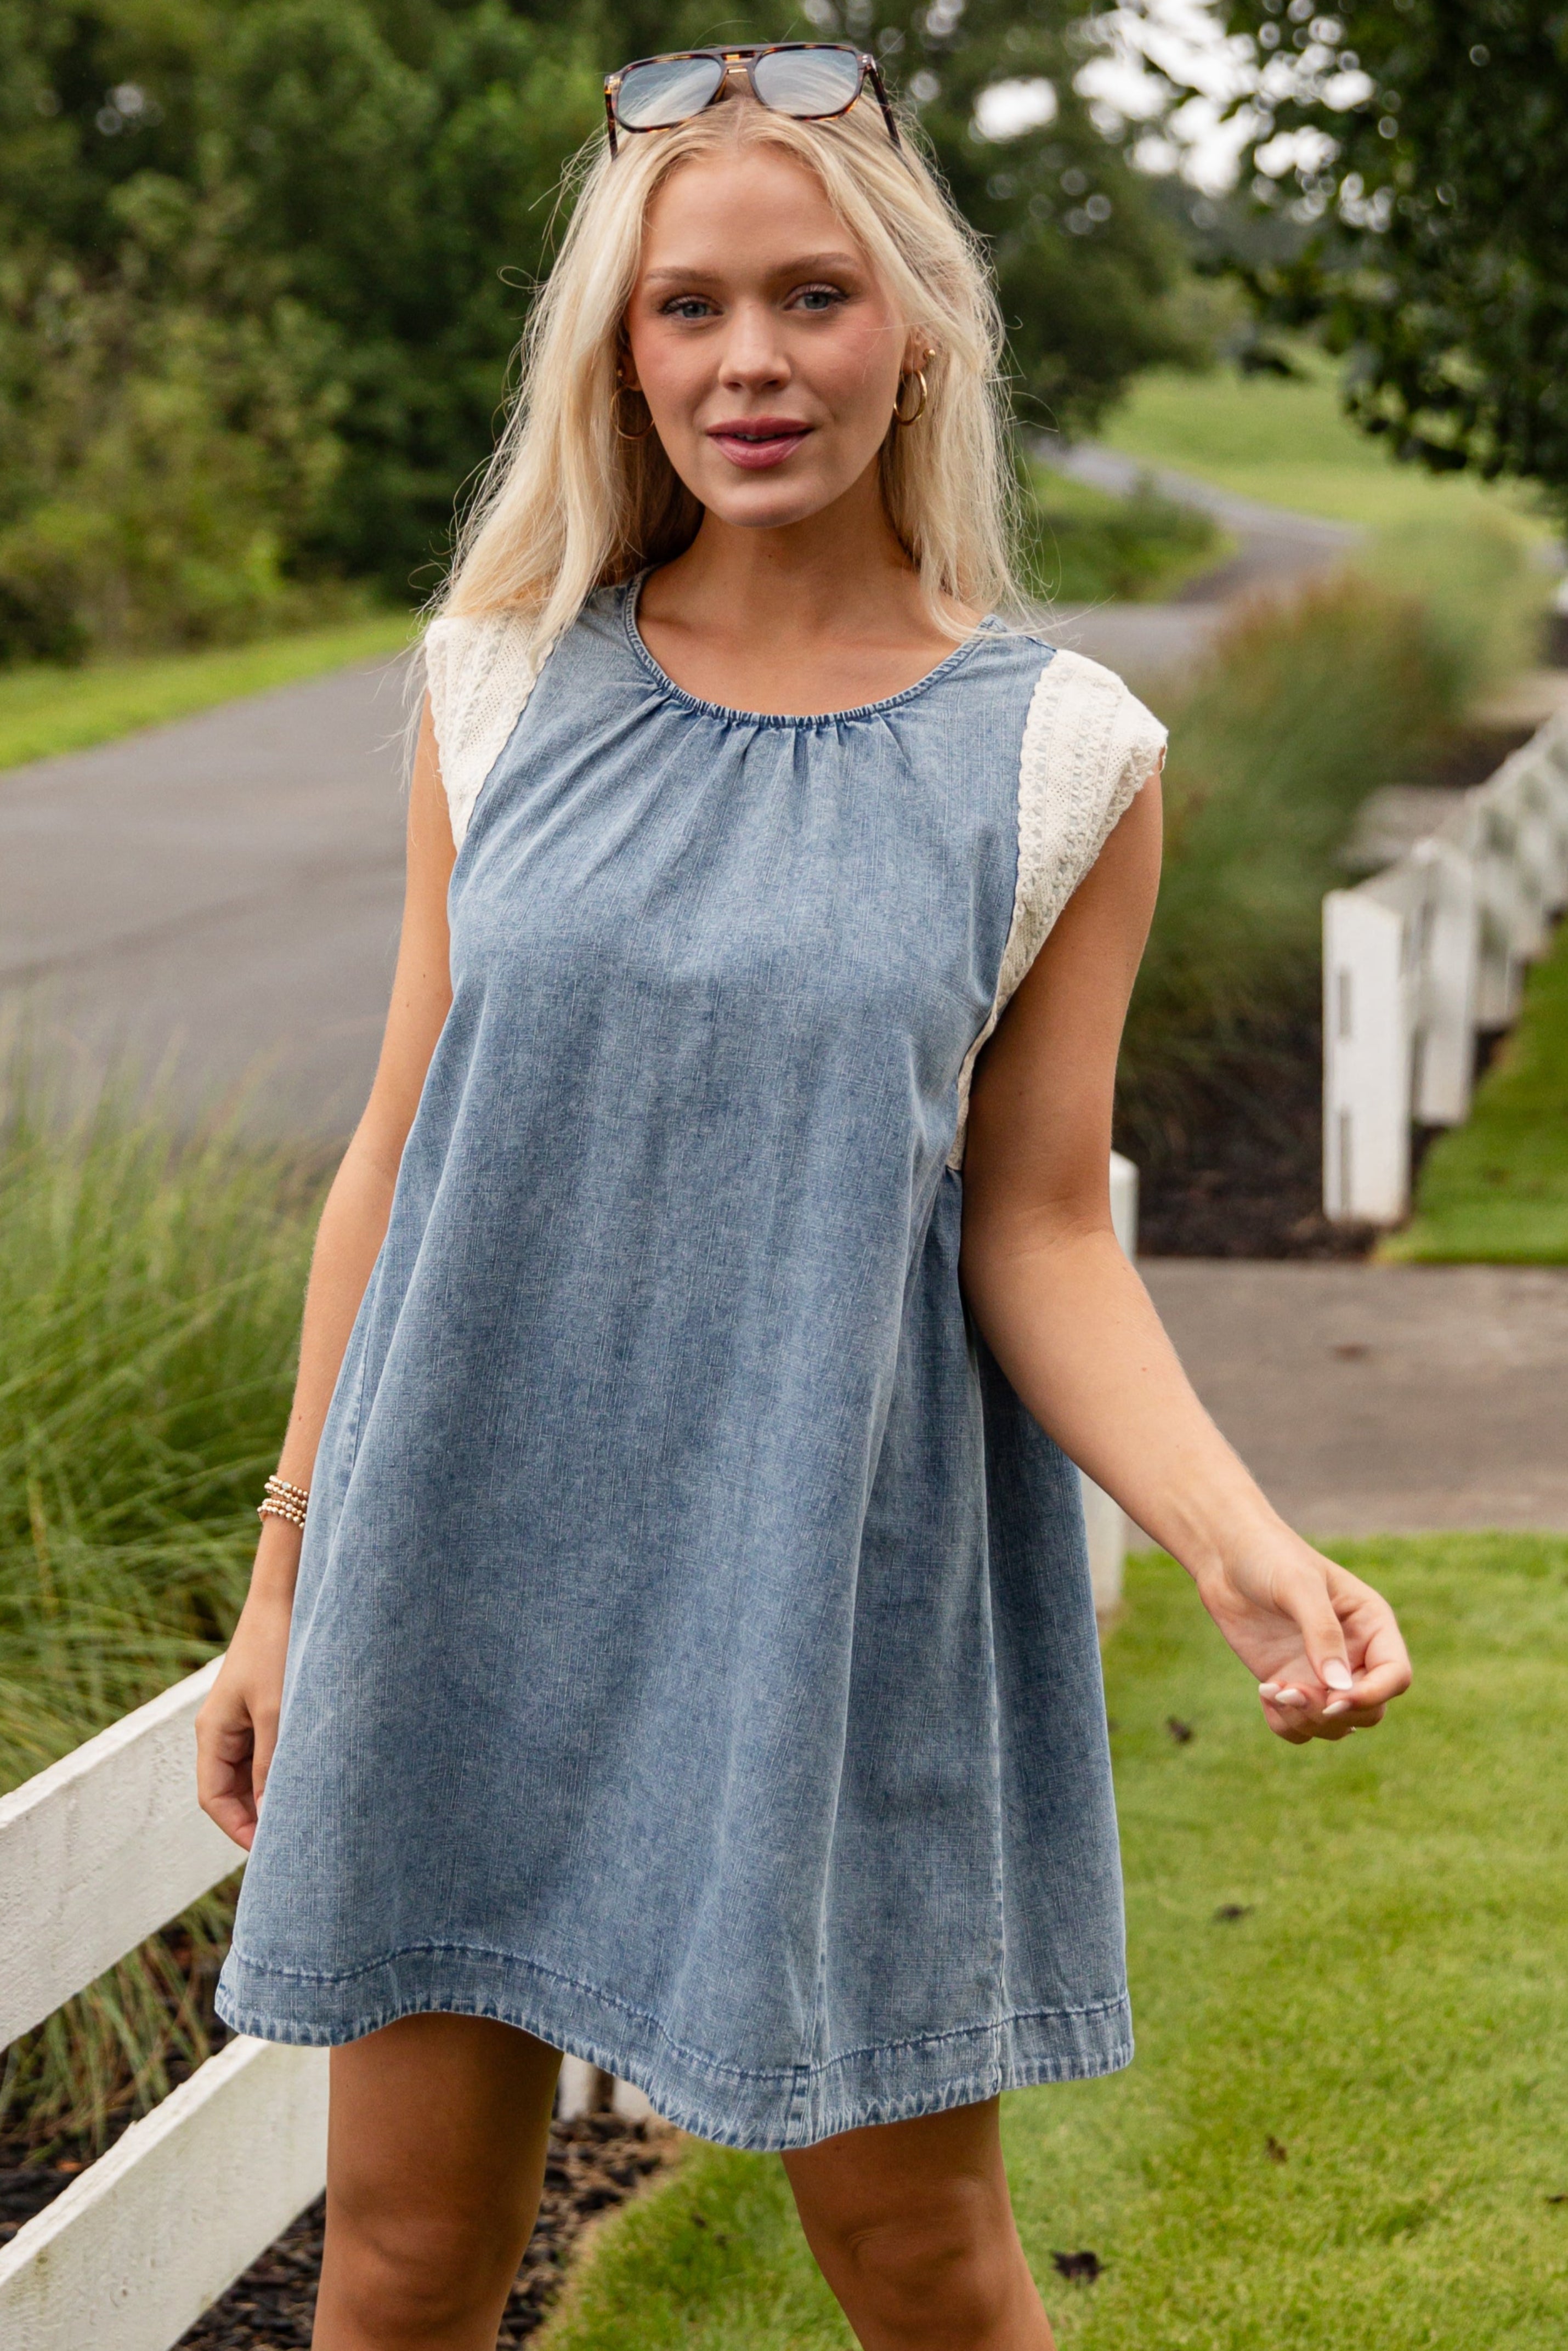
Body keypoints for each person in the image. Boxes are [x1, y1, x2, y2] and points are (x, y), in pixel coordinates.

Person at [196, 44, 1412, 2351]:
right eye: (688, 311)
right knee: (408, 2263)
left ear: (917, 330)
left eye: (813, 297)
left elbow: (1037, 1225)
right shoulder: (496, 692)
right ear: (619, 352)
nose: (749, 362)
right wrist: (284, 1582)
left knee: (919, 2257)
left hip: (831, 1593)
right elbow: (398, 1144)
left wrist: (1241, 1546)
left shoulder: (1063, 754)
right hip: (458, 1570)